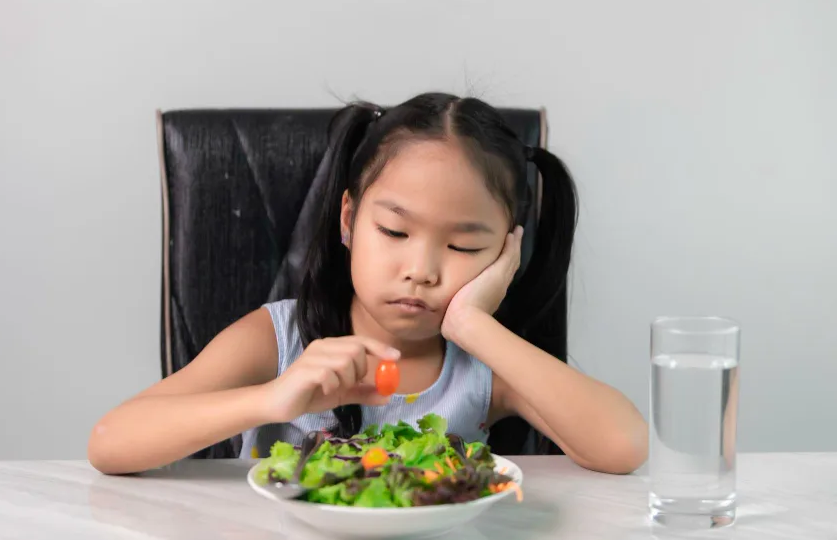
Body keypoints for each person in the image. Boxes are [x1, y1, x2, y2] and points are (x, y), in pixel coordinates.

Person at [88, 93, 647, 476]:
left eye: (464, 247)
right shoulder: (278, 337)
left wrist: (473, 324)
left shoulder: (481, 368)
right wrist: (270, 399)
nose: (422, 270)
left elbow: (623, 447)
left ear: (505, 251)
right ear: (350, 220)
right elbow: (110, 443)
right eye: (395, 230)